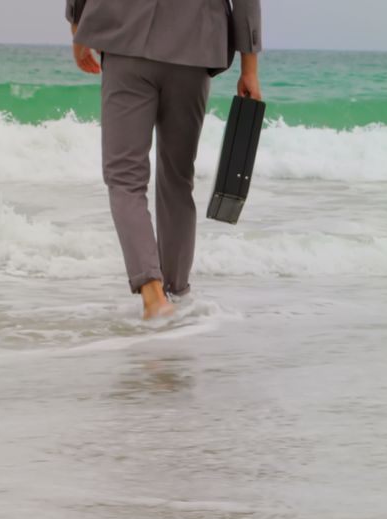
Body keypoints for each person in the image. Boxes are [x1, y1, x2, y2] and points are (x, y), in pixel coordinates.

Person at [65, 0, 263, 319]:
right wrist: (249, 68)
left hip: (125, 38)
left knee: (125, 179)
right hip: (194, 46)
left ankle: (154, 295)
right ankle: (178, 296)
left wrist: (79, 27)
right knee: (177, 178)